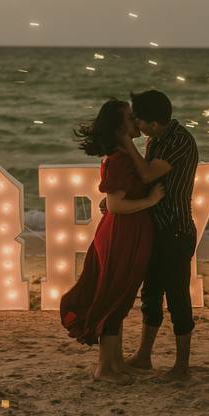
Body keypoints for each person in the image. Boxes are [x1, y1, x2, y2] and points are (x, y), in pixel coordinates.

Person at [59, 99, 164, 384]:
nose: (137, 120)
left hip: (129, 232)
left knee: (121, 296)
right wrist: (150, 200)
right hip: (121, 234)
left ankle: (115, 363)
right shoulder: (119, 160)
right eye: (131, 117)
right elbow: (116, 206)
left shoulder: (125, 155)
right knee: (113, 297)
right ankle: (105, 368)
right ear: (120, 128)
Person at [121, 89, 199, 381]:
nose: (135, 125)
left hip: (176, 230)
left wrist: (126, 141)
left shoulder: (179, 141)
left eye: (138, 120)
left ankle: (182, 366)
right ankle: (144, 356)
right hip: (157, 228)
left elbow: (147, 175)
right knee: (151, 293)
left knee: (177, 296)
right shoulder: (157, 139)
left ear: (153, 123)